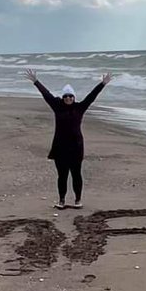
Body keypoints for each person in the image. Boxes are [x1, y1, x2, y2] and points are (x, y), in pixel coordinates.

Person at [25, 69, 112, 208]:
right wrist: (36, 82)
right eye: (66, 96)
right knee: (62, 176)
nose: (68, 98)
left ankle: (78, 200)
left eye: (71, 96)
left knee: (76, 174)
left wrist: (102, 84)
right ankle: (61, 201)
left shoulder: (80, 108)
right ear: (63, 97)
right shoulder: (57, 107)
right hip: (60, 148)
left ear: (74, 97)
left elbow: (91, 96)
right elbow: (46, 94)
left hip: (76, 147)